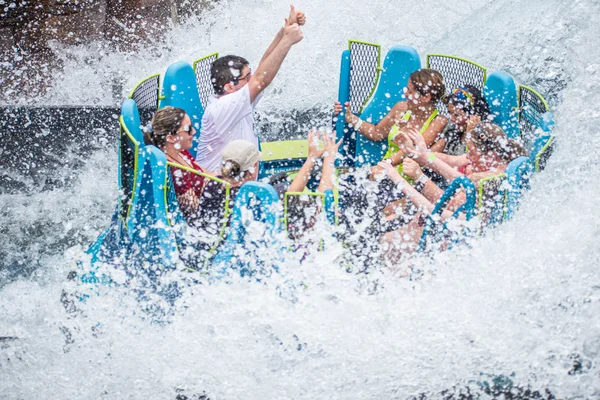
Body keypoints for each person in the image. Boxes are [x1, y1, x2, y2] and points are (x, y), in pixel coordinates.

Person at [376, 122, 527, 265]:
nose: (467, 157)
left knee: (388, 242)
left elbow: (435, 211)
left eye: (471, 152)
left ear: (490, 155)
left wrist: (399, 180)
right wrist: (420, 154)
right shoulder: (497, 175)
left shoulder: (484, 185)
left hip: (459, 247)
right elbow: (457, 178)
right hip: (460, 238)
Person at [197, 5, 306, 171]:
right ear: (229, 87)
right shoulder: (222, 108)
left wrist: (284, 32)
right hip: (222, 190)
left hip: (239, 184)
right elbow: (261, 81)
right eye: (246, 78)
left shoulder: (236, 99)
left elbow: (263, 68)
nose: (252, 80)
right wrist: (287, 41)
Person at [189, 131, 342, 240]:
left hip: (216, 247)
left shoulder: (212, 186)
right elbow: (319, 198)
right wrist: (326, 158)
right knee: (315, 210)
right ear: (253, 168)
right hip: (254, 255)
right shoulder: (258, 198)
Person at [333, 68, 448, 176]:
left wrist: (384, 165)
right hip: (382, 173)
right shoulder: (401, 108)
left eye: (410, 91)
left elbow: (411, 151)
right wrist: (350, 117)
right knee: (333, 174)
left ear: (426, 97)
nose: (405, 94)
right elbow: (376, 133)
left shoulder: (438, 121)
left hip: (407, 180)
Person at [144, 106, 213, 220]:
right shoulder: (175, 172)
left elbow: (207, 174)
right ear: (170, 138)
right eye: (189, 129)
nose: (194, 132)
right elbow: (196, 210)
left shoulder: (181, 152)